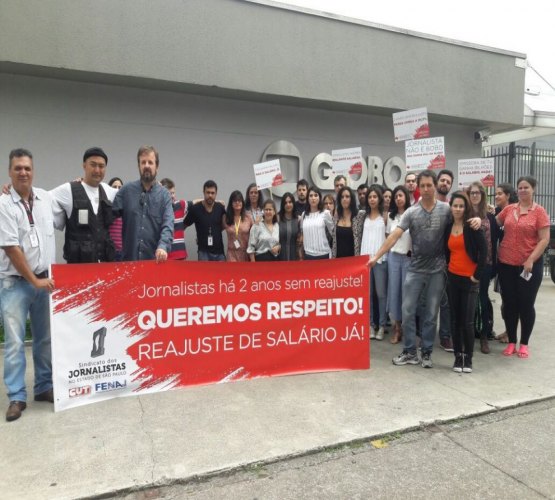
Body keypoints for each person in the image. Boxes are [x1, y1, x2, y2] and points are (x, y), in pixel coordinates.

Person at [370, 170, 475, 368]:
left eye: (429, 185)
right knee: (407, 310)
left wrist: (478, 218)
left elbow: (464, 214)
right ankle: (410, 351)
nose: (426, 189)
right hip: (415, 269)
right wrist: (377, 256)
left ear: (435, 186)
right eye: (423, 186)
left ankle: (426, 352)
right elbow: (394, 235)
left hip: (437, 270)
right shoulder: (411, 212)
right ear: (418, 187)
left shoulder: (445, 209)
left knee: (431, 313)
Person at [0, 149, 56, 422]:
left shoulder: (46, 198)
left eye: (27, 168)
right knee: (14, 343)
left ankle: (43, 387)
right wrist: (34, 280)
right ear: (10, 172)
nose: (23, 172)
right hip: (16, 283)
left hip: (44, 281)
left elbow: (81, 191)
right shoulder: (3, 204)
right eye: (18, 168)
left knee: (44, 339)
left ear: (34, 171)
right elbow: (11, 248)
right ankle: (17, 396)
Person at [496, 176, 550, 358]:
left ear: (533, 189)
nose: (522, 190)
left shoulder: (540, 212)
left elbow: (544, 239)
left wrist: (531, 259)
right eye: (520, 188)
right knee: (509, 304)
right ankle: (511, 341)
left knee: (526, 305)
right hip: (506, 265)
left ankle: (524, 343)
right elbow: (494, 223)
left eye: (526, 187)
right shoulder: (510, 210)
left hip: (529, 267)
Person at [50, 147, 117, 263]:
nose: (97, 170)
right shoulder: (69, 190)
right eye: (93, 165)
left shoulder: (109, 191)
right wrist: (13, 189)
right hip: (78, 270)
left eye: (101, 166)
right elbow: (39, 198)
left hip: (104, 267)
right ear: (84, 165)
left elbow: (133, 194)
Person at [444, 191, 487, 373]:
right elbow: (447, 252)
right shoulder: (448, 226)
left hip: (470, 280)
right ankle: (457, 357)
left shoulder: (473, 226)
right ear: (451, 207)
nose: (458, 209)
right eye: (455, 205)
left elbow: (484, 253)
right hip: (452, 278)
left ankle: (468, 358)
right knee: (455, 320)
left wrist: (476, 275)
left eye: (461, 206)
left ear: (466, 207)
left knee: (467, 322)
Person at [112, 145, 173, 262]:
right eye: (143, 162)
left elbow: (168, 224)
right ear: (138, 165)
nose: (146, 166)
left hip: (154, 263)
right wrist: (88, 185)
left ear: (157, 166)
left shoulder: (164, 196)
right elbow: (107, 216)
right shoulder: (126, 191)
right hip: (128, 262)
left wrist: (163, 246)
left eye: (150, 162)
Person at [466, 181, 501, 354]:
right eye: (472, 193)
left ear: (482, 194)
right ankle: (470, 332)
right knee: (468, 298)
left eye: (477, 193)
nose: (474, 195)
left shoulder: (490, 214)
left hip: (485, 264)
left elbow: (496, 236)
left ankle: (485, 335)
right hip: (467, 263)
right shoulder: (464, 211)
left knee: (482, 297)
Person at [354, 185, 388, 340]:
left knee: (381, 294)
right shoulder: (363, 215)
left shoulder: (385, 216)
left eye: (375, 196)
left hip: (380, 260)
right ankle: (369, 325)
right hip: (365, 260)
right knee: (368, 295)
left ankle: (381, 326)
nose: (372, 199)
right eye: (370, 197)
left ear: (379, 198)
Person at [386, 185, 412, 344]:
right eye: (396, 197)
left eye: (401, 196)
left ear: (406, 197)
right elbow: (389, 237)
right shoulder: (391, 216)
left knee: (406, 294)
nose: (398, 199)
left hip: (408, 259)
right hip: (394, 258)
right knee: (394, 293)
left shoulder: (412, 214)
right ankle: (396, 328)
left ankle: (406, 328)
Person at [492, 183, 518, 343]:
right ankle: (509, 330)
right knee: (505, 300)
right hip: (501, 263)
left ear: (508, 195)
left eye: (500, 194)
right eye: (496, 194)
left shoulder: (515, 213)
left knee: (512, 301)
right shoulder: (497, 213)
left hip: (514, 264)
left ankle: (511, 333)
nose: (496, 196)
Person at [436, 169, 455, 351]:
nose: (445, 184)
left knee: (446, 301)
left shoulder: (451, 208)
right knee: (425, 300)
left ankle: (445, 336)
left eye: (448, 182)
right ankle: (423, 334)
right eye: (442, 180)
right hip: (426, 260)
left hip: (446, 261)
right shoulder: (424, 204)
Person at [185, 180, 226, 261]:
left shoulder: (220, 208)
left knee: (221, 274)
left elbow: (224, 226)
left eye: (212, 193)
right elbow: (184, 225)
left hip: (219, 253)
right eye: (208, 192)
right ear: (203, 192)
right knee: (204, 274)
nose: (210, 195)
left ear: (216, 193)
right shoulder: (195, 209)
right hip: (203, 253)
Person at [299, 186, 334, 260]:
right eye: (311, 196)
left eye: (316, 195)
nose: (313, 198)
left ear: (319, 198)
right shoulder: (304, 215)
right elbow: (302, 233)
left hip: (324, 255)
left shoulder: (325, 213)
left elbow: (333, 233)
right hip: (308, 255)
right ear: (308, 198)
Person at [160, 178, 189, 260]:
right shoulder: (157, 210)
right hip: (165, 255)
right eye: (170, 193)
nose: (172, 196)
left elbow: (196, 203)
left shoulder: (180, 205)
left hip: (180, 254)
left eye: (173, 193)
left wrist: (216, 202)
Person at [223, 190, 253, 262]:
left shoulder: (248, 217)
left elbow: (254, 235)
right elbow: (216, 230)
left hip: (245, 254)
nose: (237, 203)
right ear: (231, 203)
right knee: (232, 273)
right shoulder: (225, 218)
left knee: (245, 273)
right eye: (235, 201)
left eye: (239, 201)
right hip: (231, 254)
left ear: (242, 203)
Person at [332, 187, 357, 258]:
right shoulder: (336, 217)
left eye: (347, 196)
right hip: (337, 260)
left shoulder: (358, 216)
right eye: (342, 197)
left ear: (352, 199)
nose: (344, 199)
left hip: (353, 260)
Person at [278, 192, 300, 261]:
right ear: (282, 205)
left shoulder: (298, 219)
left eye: (290, 202)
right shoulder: (277, 218)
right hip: (280, 255)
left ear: (293, 203)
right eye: (285, 203)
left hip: (294, 255)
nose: (288, 205)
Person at [108, 177, 124, 261]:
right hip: (109, 251)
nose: (117, 189)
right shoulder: (105, 206)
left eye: (120, 187)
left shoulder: (126, 206)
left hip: (123, 252)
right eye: (114, 187)